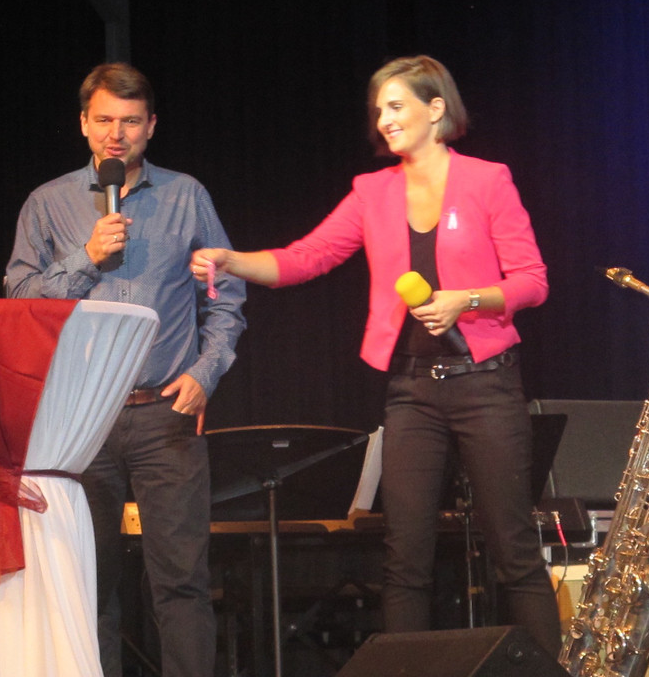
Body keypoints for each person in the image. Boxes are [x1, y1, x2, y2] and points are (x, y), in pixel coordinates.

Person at [190, 54, 562, 655]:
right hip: (413, 391)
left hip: (486, 385)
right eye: (378, 110)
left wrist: (467, 299)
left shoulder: (487, 180)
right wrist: (232, 260)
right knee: (404, 557)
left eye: (396, 106)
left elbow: (532, 281)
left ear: (435, 109)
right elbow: (305, 258)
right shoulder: (373, 192)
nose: (384, 120)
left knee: (513, 551)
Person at [5, 63, 247, 677]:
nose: (117, 134)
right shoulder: (48, 203)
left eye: (131, 121)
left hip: (166, 412)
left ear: (151, 126)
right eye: (105, 120)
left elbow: (226, 296)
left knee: (182, 582)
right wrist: (86, 257)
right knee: (89, 583)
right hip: (81, 419)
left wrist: (206, 371)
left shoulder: (186, 196)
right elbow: (18, 303)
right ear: (84, 124)